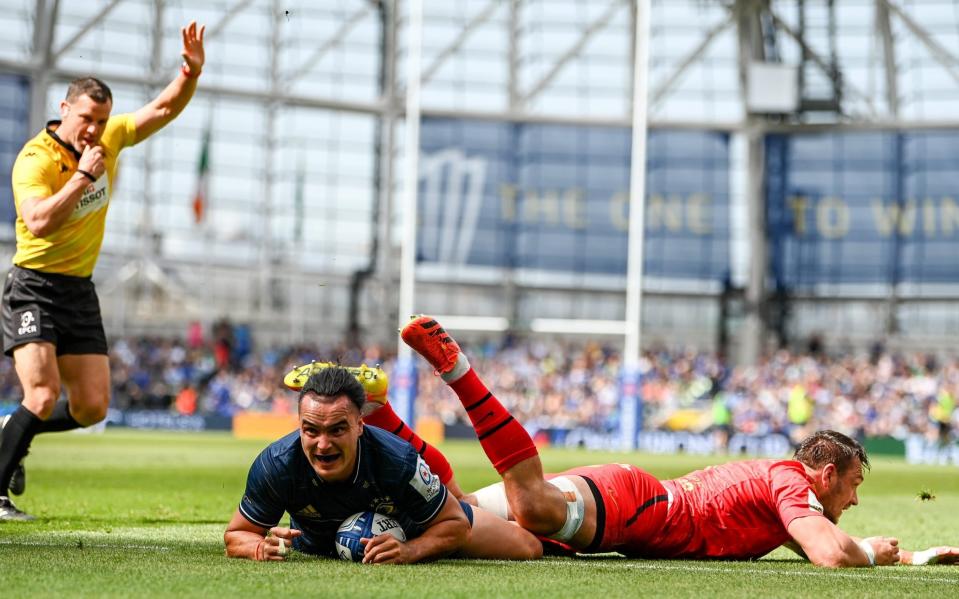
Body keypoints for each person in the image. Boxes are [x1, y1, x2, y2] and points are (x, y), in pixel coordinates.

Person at [400, 314, 959, 568]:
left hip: (630, 499)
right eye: (855, 486)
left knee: (450, 512)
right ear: (827, 474)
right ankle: (461, 373)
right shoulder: (791, 484)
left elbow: (809, 537)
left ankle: (373, 439)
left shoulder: (782, 494)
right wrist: (865, 550)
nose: (855, 502)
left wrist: (916, 556)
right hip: (638, 510)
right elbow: (829, 554)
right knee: (534, 506)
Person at [0, 21, 207, 521]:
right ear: (64, 109)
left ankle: (12, 432)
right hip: (32, 285)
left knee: (92, 408)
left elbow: (160, 109)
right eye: (87, 117)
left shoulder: (109, 138)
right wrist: (86, 176)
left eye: (103, 120)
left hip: (78, 290)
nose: (95, 129)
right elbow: (38, 221)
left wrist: (189, 72)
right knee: (44, 393)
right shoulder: (36, 159)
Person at [224, 366, 541, 563]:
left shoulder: (397, 459)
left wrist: (410, 550)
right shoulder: (277, 464)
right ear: (299, 425)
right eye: (311, 430)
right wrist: (256, 548)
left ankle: (510, 503)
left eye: (337, 430)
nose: (322, 444)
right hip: (317, 544)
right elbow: (237, 534)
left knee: (529, 546)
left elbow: (455, 525)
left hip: (416, 526)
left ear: (360, 425)